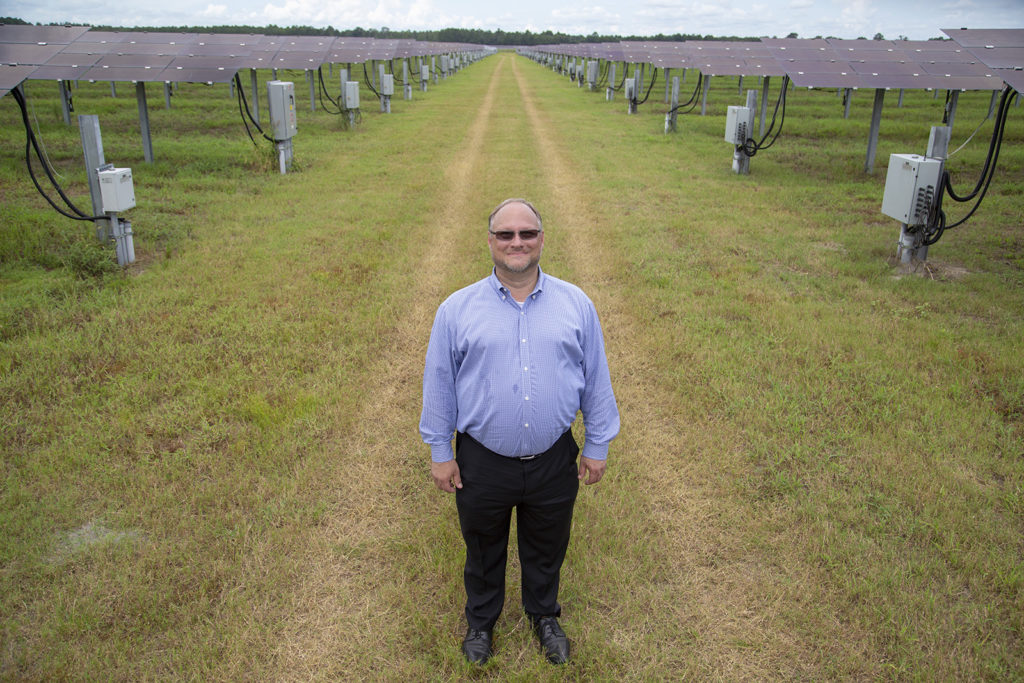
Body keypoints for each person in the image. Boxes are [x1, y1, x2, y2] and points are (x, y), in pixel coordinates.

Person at [419, 198, 620, 666]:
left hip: (553, 458)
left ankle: (544, 615)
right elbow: (440, 382)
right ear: (490, 241)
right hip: (482, 461)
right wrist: (439, 450)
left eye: (526, 233)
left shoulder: (576, 304)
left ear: (541, 240)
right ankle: (481, 623)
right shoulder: (456, 309)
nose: (516, 242)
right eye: (505, 234)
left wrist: (597, 444)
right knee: (483, 548)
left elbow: (596, 378)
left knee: (548, 544)